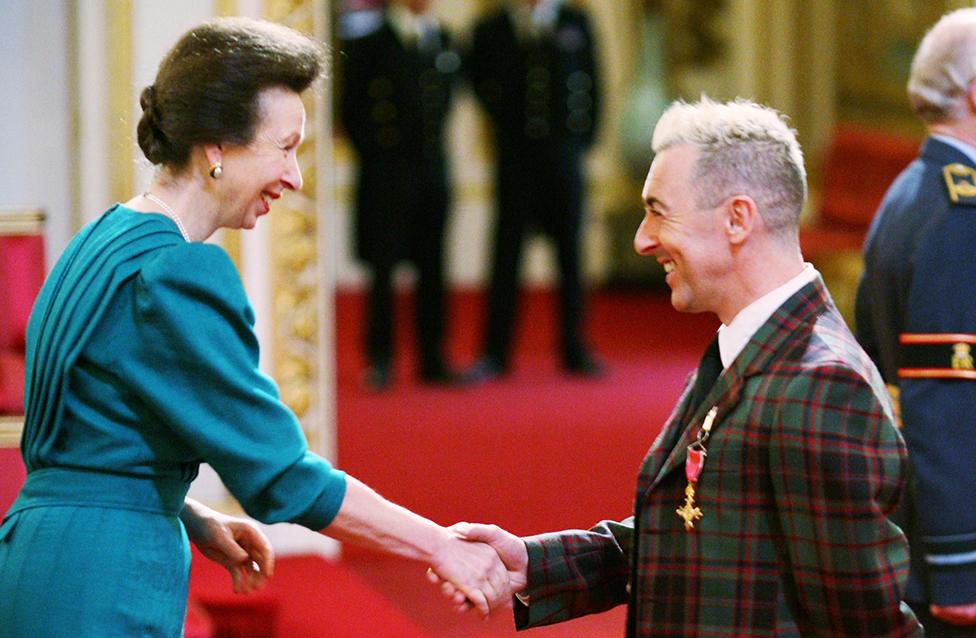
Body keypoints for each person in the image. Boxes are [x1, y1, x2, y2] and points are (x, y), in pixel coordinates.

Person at [0, 17, 510, 637]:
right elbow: (282, 476)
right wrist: (440, 546)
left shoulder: (103, 239)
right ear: (217, 146)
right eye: (286, 147)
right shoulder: (177, 273)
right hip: (104, 584)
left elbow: (85, 445)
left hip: (39, 559)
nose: (295, 177)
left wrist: (190, 514)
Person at [435, 97, 923, 636]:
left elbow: (863, 623)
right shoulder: (754, 345)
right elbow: (702, 531)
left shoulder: (821, 385)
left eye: (658, 211)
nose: (642, 239)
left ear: (738, 219)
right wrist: (535, 563)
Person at [855, 8, 976, 635]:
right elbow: (945, 401)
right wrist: (961, 567)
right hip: (955, 550)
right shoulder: (960, 215)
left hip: (915, 523)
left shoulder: (911, 189)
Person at [465, 0, 603, 381]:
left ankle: (574, 347)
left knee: (570, 255)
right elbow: (478, 80)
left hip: (563, 155)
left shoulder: (576, 22)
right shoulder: (491, 28)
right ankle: (495, 352)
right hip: (515, 158)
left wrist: (581, 142)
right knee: (506, 255)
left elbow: (593, 82)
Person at [340, 0, 461, 390]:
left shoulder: (442, 38)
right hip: (387, 171)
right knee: (383, 268)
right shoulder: (370, 41)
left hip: (432, 169)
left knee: (434, 266)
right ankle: (380, 359)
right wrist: (379, 156)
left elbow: (446, 99)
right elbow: (350, 110)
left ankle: (432, 357)